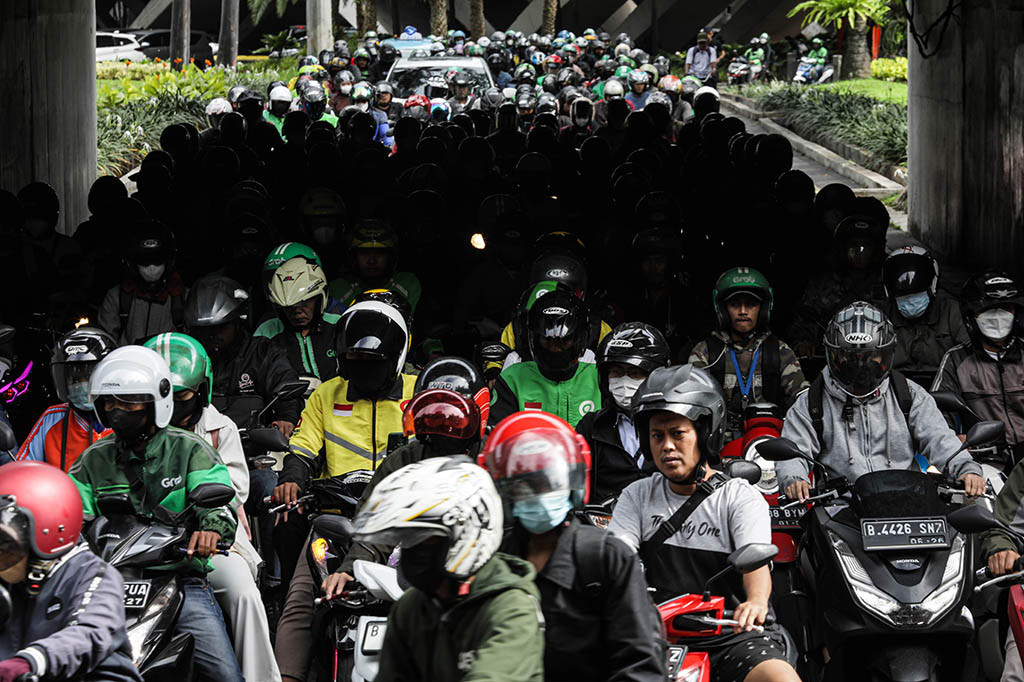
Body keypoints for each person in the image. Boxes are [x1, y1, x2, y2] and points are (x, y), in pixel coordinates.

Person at [279, 359, 489, 681]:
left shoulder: (495, 459)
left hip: (477, 580)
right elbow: (377, 524)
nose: (442, 424)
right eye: (431, 413)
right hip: (406, 575)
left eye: (450, 415)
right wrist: (349, 572)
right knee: (324, 609)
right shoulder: (405, 458)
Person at [608, 364, 800, 682]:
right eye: (657, 436)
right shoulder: (636, 496)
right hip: (655, 637)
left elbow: (756, 565)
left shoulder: (739, 497)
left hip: (732, 634)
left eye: (677, 434)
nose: (666, 445)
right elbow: (618, 557)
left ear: (704, 433)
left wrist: (754, 603)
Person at [69, 345, 243, 682]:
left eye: (130, 402)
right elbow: (71, 515)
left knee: (224, 674)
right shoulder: (93, 460)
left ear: (156, 403)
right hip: (108, 585)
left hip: (179, 578)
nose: (119, 410)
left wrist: (211, 530)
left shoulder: (190, 449)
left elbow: (218, 499)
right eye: (110, 403)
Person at [484, 410, 668, 681]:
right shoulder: (496, 561)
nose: (539, 495)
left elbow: (641, 662)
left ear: (573, 484)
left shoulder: (606, 557)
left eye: (549, 483)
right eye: (525, 487)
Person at [143, 332, 280, 682]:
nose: (172, 404)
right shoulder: (126, 436)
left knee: (243, 594)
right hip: (140, 547)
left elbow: (234, 491)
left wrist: (201, 521)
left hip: (210, 543)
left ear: (201, 391)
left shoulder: (221, 428)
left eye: (182, 395)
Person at [352, 457, 545, 682]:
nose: (412, 549)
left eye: (424, 539)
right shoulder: (412, 607)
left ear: (465, 534)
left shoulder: (511, 609)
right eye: (407, 539)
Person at [271, 300, 415, 592]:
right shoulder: (326, 394)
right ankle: (286, 598)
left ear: (395, 358)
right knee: (288, 526)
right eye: (354, 358)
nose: (363, 366)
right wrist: (291, 480)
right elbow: (302, 447)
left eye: (373, 360)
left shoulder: (420, 391)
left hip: (401, 511)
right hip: (336, 513)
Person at [778, 302, 985, 502]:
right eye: (849, 357)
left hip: (908, 504)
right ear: (832, 355)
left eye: (871, 356)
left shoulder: (908, 394)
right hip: (842, 509)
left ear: (887, 355)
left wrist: (966, 469)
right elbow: (794, 451)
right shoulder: (811, 403)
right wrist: (794, 479)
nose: (860, 364)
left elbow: (939, 439)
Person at [0, 461, 142, 682]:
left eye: (5, 543)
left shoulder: (93, 574)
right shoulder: (11, 582)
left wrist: (30, 661)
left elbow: (91, 632)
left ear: (46, 529)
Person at [689, 267, 807, 441]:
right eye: (735, 304)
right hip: (718, 444)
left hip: (769, 441)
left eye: (751, 304)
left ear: (763, 308)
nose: (743, 311)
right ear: (723, 309)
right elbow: (693, 405)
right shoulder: (705, 352)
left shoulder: (779, 351)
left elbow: (802, 398)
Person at [184, 275, 302, 436]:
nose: (214, 334)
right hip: (195, 442)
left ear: (237, 322)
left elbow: (284, 385)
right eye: (207, 329)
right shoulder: (188, 357)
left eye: (222, 327)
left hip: (253, 446)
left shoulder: (261, 352)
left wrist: (286, 418)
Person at [576, 322, 672, 504]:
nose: (624, 381)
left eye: (635, 373)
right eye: (616, 372)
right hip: (605, 526)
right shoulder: (592, 426)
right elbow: (574, 484)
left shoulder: (679, 424)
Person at [933, 272, 1024, 462]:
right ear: (971, 316)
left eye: (1005, 308)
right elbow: (935, 414)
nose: (998, 316)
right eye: (988, 310)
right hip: (986, 461)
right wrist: (953, 439)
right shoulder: (956, 359)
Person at [490, 289, 602, 428]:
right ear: (534, 339)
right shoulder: (512, 379)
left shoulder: (599, 377)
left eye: (564, 341)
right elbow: (498, 435)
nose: (555, 348)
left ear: (579, 339)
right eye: (547, 340)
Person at [16, 327, 116, 471]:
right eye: (74, 379)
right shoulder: (52, 418)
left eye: (88, 377)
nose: (81, 384)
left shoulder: (123, 416)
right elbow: (22, 470)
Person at [882, 246, 967, 387]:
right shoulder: (882, 316)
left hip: (944, 387)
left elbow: (969, 357)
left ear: (932, 285)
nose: (910, 300)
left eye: (917, 294)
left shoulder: (951, 311)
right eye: (904, 295)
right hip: (894, 389)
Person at [255, 256, 341, 384]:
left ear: (319, 299)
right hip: (289, 402)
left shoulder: (339, 325)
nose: (297, 311)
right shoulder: (266, 332)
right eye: (289, 307)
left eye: (305, 303)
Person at [98, 228, 186, 345]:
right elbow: (105, 342)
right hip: (127, 362)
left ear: (168, 262)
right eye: (144, 261)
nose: (151, 267)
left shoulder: (182, 297)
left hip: (170, 362)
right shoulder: (117, 296)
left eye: (158, 260)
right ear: (133, 263)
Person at [328, 222, 423, 312]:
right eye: (364, 253)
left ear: (390, 257)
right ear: (354, 257)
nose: (372, 260)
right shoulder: (338, 289)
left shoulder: (408, 284)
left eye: (379, 253)